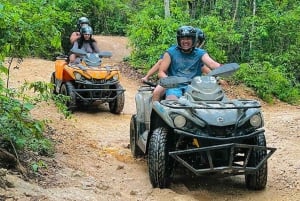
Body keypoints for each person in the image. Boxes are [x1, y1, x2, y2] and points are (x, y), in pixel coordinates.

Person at [156, 25, 221, 101]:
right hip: (174, 86)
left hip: (195, 87)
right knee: (171, 101)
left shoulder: (200, 53)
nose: (185, 41)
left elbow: (212, 64)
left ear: (193, 40)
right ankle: (154, 112)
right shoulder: (170, 52)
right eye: (182, 38)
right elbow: (161, 72)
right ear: (179, 40)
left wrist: (224, 68)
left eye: (188, 38)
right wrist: (171, 81)